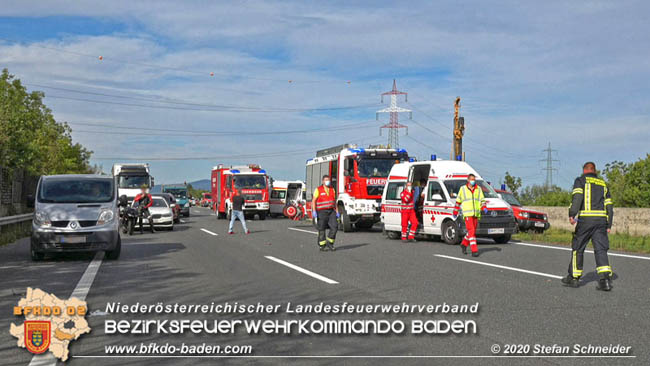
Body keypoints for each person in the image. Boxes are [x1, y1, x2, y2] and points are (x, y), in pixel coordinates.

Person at [561, 162, 614, 291]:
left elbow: (577, 198)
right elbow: (609, 207)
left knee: (578, 248)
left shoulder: (580, 181)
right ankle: (605, 281)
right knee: (601, 250)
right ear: (595, 171)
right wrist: (609, 223)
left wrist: (572, 214)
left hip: (586, 220)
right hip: (601, 222)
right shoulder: (603, 184)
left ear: (584, 170)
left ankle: (574, 278)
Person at [452, 174, 486, 257]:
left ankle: (464, 244)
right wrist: (455, 211)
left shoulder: (479, 189)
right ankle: (474, 250)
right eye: (471, 179)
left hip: (476, 213)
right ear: (468, 180)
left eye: (474, 179)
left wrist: (484, 207)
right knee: (471, 231)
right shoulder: (463, 189)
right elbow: (458, 201)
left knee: (472, 231)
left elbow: (482, 200)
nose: (473, 181)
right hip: (467, 214)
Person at [311, 175, 338, 251]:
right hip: (321, 212)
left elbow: (334, 201)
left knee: (334, 227)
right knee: (322, 228)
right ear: (323, 181)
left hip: (331, 211)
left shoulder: (332, 189)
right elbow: (313, 201)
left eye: (328, 180)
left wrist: (337, 212)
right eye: (326, 180)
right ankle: (322, 245)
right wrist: (314, 211)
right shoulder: (318, 189)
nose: (327, 181)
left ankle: (330, 243)